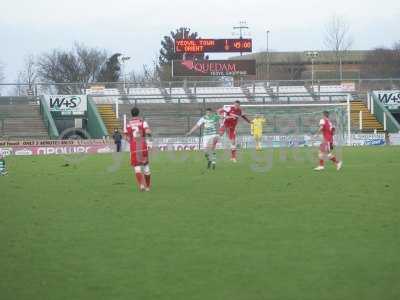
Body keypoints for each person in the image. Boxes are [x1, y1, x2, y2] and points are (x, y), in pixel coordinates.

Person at [125, 107, 152, 192]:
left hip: (134, 147)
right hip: (143, 146)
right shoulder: (143, 123)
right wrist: (149, 137)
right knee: (146, 167)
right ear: (138, 113)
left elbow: (126, 137)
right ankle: (147, 187)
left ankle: (141, 185)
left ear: (131, 114)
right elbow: (148, 132)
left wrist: (131, 142)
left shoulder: (128, 124)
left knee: (137, 167)